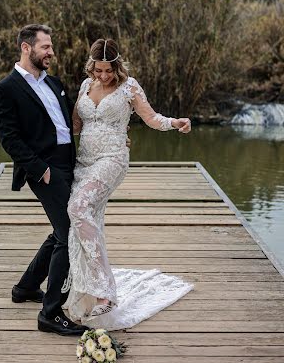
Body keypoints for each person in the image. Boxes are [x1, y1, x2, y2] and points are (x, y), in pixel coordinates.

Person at [64, 38, 194, 330]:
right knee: (86, 218)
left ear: (117, 66)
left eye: (109, 70)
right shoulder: (86, 86)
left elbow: (151, 118)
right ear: (92, 67)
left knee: (78, 207)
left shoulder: (129, 87)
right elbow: (74, 125)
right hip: (84, 162)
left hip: (112, 159)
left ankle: (105, 293)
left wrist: (174, 122)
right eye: (98, 70)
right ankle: (90, 291)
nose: (104, 76)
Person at [0, 24, 89, 336]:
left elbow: (67, 126)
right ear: (26, 47)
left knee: (61, 230)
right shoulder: (5, 89)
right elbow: (10, 139)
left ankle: (25, 288)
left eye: (50, 47)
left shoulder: (55, 83)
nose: (51, 52)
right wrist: (41, 170)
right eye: (45, 47)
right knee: (70, 234)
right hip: (44, 169)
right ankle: (50, 313)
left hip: (68, 164)